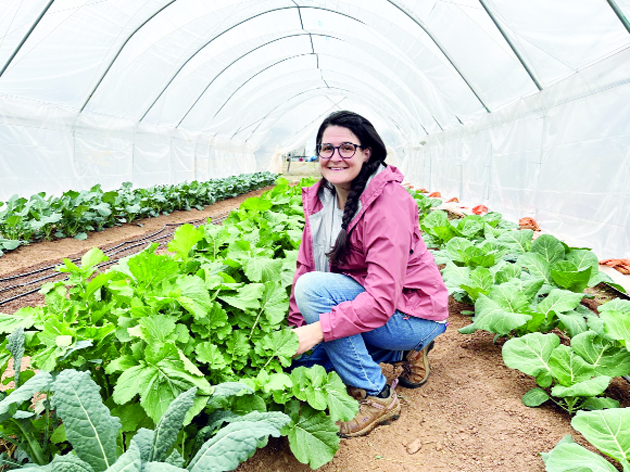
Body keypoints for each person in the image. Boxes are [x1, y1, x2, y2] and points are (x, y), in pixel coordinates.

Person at [288, 110, 449, 438]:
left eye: (347, 148)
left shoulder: (389, 204)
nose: (335, 157)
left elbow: (381, 300)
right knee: (303, 364)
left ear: (367, 153)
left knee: (313, 292)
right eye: (327, 148)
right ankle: (403, 353)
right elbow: (306, 264)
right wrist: (297, 330)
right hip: (368, 303)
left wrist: (317, 330)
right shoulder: (322, 199)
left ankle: (378, 396)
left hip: (410, 313)